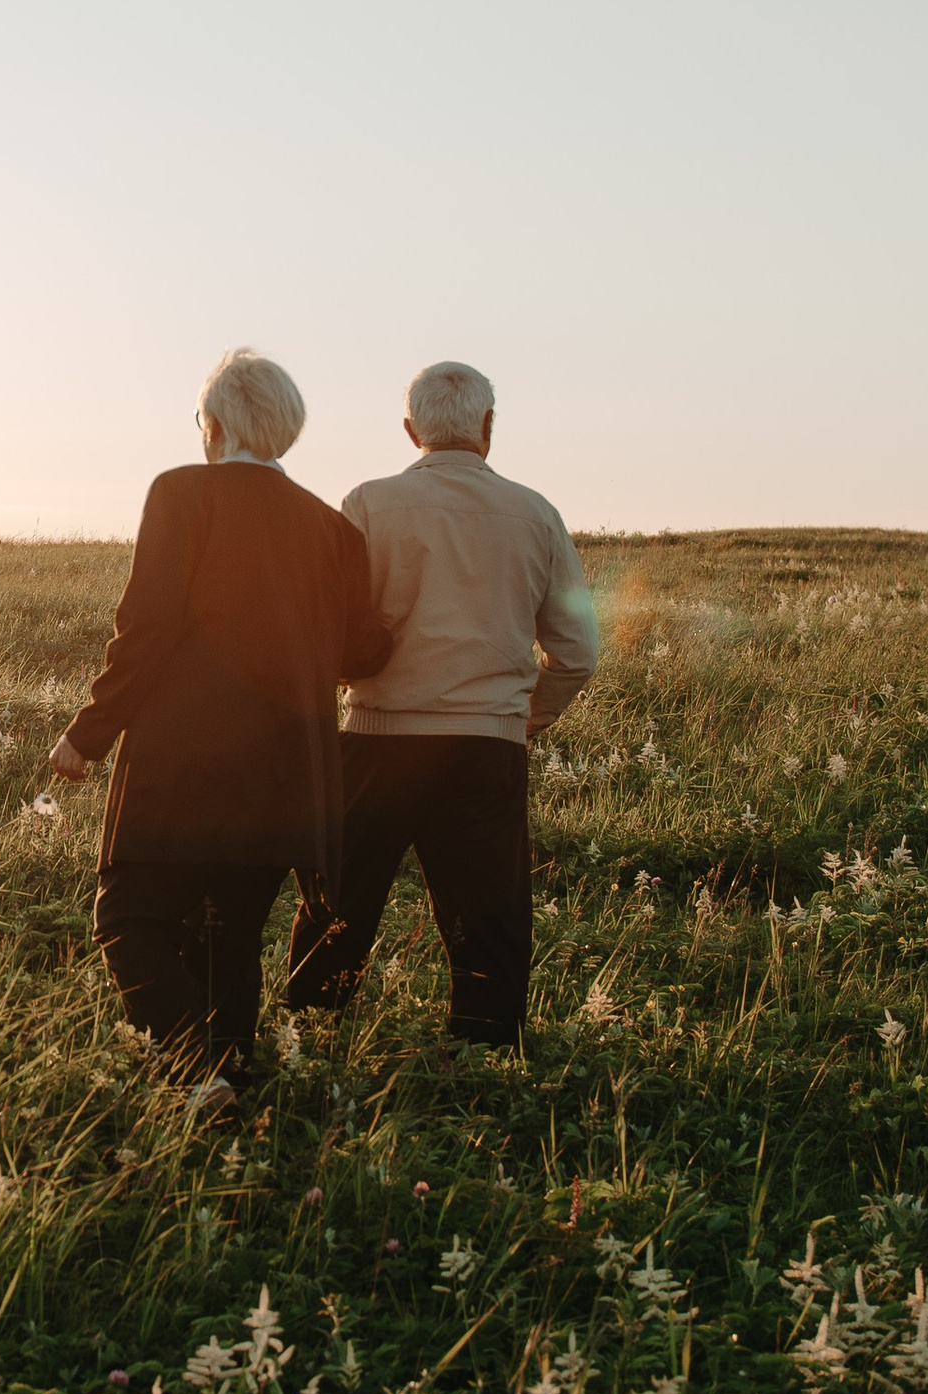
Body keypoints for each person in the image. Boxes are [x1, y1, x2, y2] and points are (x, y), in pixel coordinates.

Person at [49, 349, 392, 1105]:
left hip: (184, 758)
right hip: (290, 771)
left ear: (212, 424)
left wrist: (90, 730)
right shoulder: (335, 532)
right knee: (226, 935)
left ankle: (194, 1076)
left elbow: (147, 626)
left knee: (127, 914)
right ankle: (231, 1084)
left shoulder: (182, 493)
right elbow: (366, 649)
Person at [286, 359, 597, 1049]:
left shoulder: (366, 504)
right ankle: (484, 1066)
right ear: (488, 428)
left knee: (338, 911)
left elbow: (330, 631)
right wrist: (518, 721)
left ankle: (306, 1045)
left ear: (409, 431)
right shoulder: (537, 514)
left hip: (375, 740)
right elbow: (578, 654)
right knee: (490, 921)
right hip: (485, 746)